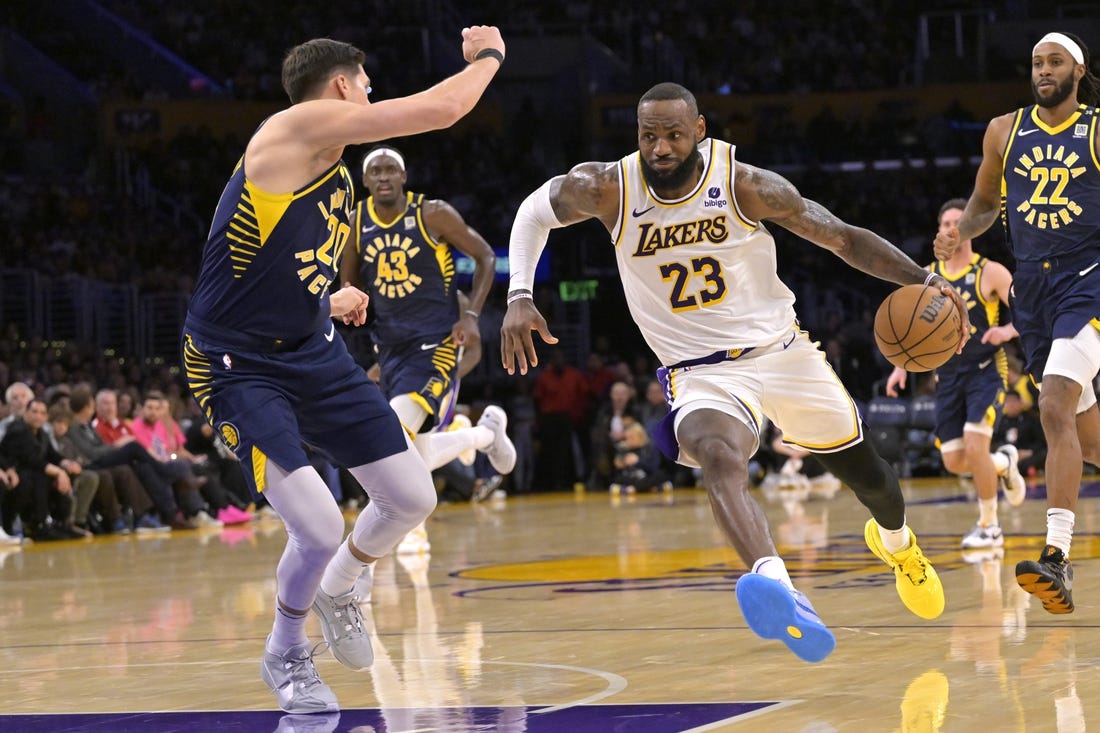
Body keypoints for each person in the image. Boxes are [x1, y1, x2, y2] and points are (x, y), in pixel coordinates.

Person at [501, 82, 969, 663]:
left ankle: (898, 544)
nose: (662, 148)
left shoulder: (746, 185)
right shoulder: (608, 188)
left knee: (871, 479)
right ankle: (780, 587)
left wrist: (924, 281)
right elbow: (531, 212)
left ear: (699, 130)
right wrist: (519, 292)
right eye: (650, 136)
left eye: (674, 135)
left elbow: (843, 239)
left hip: (780, 351)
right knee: (720, 458)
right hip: (699, 371)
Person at [179, 29, 506, 713]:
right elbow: (442, 111)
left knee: (413, 497)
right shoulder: (294, 129)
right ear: (341, 87)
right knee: (319, 525)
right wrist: (489, 56)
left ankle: (343, 584)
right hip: (236, 366)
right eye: (364, 84)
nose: (370, 94)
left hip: (310, 346)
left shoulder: (326, 170)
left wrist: (327, 296)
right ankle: (286, 651)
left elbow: (270, 261)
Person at [933, 32, 1100, 615]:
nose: (1043, 70)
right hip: (1032, 289)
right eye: (1036, 62)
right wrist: (964, 232)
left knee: (1053, 404)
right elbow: (983, 202)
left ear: (1078, 70)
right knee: (1084, 435)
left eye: (1055, 62)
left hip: (1088, 280)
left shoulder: (1096, 129)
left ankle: (1057, 556)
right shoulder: (1005, 129)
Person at [338, 145, 515, 555]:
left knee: (389, 437)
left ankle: (361, 558)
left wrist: (471, 314)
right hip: (391, 350)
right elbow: (351, 289)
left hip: (435, 344)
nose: (383, 177)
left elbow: (486, 257)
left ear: (403, 177)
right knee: (408, 455)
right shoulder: (355, 223)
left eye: (391, 170)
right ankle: (484, 434)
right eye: (375, 171)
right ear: (365, 181)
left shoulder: (432, 213)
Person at [886, 198, 1026, 551]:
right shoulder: (927, 276)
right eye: (945, 223)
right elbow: (912, 329)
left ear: (970, 229)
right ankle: (1004, 462)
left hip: (985, 371)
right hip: (948, 377)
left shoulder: (989, 272)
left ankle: (989, 526)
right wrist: (900, 366)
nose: (951, 228)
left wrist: (1007, 332)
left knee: (975, 443)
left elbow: (1027, 311)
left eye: (957, 222)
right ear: (938, 232)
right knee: (954, 460)